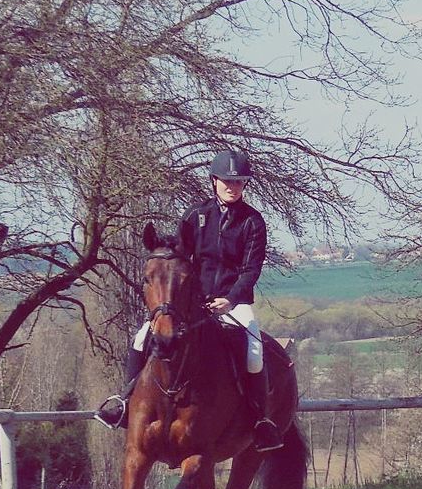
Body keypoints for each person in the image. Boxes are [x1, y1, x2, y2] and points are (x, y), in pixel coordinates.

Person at [94, 149, 283, 451]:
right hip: (192, 304)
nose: (232, 187)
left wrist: (230, 300)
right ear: (214, 181)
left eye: (238, 182)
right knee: (142, 337)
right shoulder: (195, 216)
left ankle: (260, 421)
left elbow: (251, 270)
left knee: (255, 350)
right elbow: (181, 261)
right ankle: (124, 402)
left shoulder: (253, 222)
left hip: (234, 303)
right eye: (226, 181)